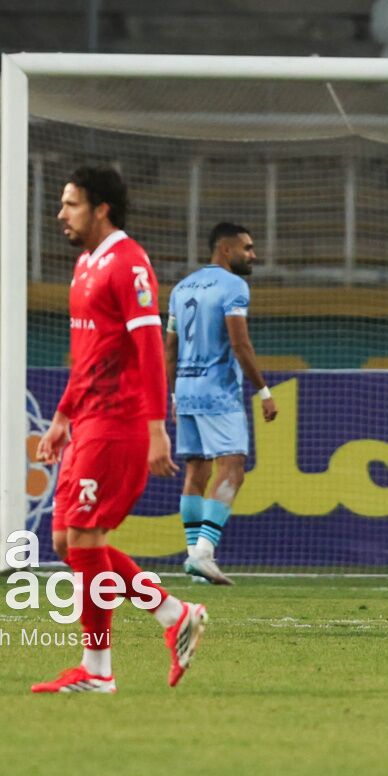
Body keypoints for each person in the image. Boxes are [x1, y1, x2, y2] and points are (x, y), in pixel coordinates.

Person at [33, 166, 206, 694]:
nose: (61, 213)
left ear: (101, 209)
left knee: (86, 535)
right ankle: (175, 613)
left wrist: (158, 427)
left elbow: (150, 349)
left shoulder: (129, 264)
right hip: (87, 419)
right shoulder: (86, 264)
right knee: (67, 540)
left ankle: (98, 671)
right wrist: (62, 417)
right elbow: (89, 356)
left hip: (122, 420)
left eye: (71, 204)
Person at [166, 222, 278, 587]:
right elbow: (240, 343)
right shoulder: (234, 287)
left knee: (197, 473)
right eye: (247, 248)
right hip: (218, 392)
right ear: (225, 250)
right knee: (233, 469)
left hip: (185, 390)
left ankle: (194, 558)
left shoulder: (181, 289)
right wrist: (263, 391)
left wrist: (170, 394)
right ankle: (203, 553)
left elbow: (169, 348)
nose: (253, 255)